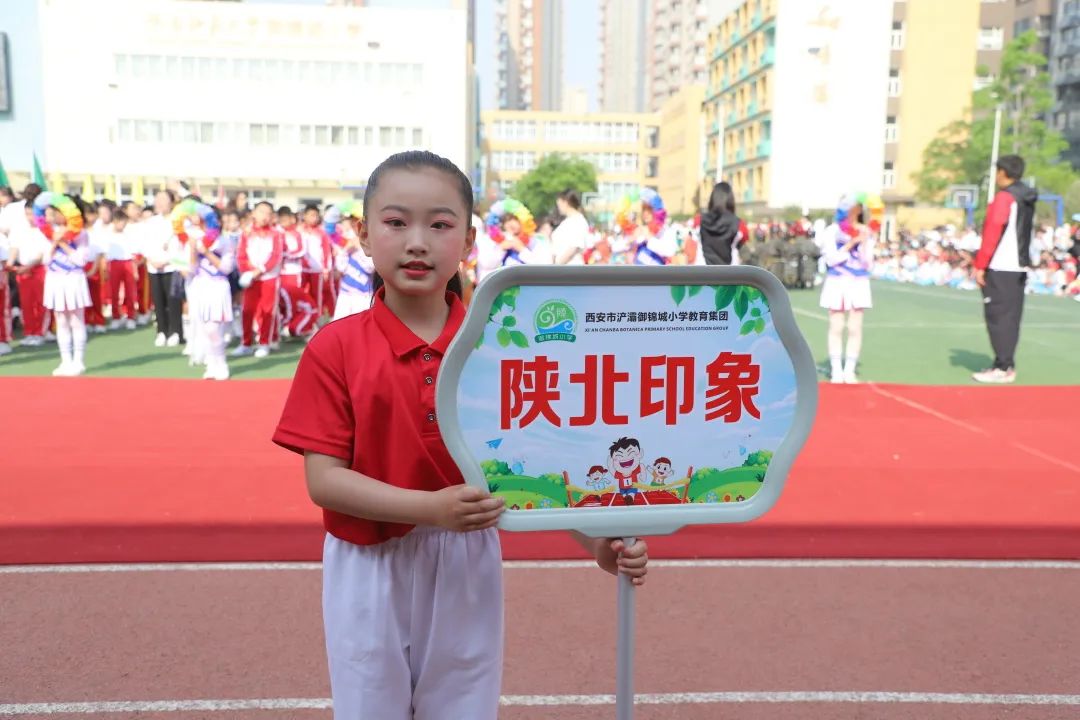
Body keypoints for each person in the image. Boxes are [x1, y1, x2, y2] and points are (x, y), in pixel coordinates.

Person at [271, 150, 649, 720]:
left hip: (467, 555)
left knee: (464, 706)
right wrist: (429, 508)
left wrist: (595, 539)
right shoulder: (336, 347)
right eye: (396, 222)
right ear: (363, 235)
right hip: (369, 560)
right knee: (371, 705)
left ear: (469, 240)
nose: (417, 241)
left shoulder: (501, 348)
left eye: (439, 224)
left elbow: (530, 468)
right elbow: (324, 481)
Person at [973, 155, 1036, 384]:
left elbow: (992, 232)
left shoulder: (1005, 198)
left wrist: (980, 265)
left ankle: (1003, 366)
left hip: (1000, 265)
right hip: (1018, 266)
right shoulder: (1026, 197)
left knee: (998, 317)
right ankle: (1006, 363)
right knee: (1010, 317)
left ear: (1002, 172)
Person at [819, 195, 873, 384]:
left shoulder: (865, 231)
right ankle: (836, 369)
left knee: (855, 327)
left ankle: (849, 369)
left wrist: (864, 242)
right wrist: (850, 244)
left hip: (858, 282)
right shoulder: (832, 231)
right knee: (836, 326)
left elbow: (868, 263)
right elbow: (831, 259)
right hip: (837, 280)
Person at [41, 197, 92, 376]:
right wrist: (54, 242)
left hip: (73, 279)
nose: (56, 216)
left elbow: (81, 260)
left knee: (76, 321)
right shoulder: (48, 232)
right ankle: (65, 360)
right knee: (61, 320)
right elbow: (45, 259)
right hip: (55, 280)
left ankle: (79, 361)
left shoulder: (81, 234)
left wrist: (64, 243)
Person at [186, 210, 235, 381]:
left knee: (214, 328)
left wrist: (207, 252)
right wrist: (193, 250)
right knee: (205, 329)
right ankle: (211, 363)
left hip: (218, 287)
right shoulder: (196, 239)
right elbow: (191, 269)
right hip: (201, 286)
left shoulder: (226, 241)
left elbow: (227, 267)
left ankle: (221, 362)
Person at [234, 201, 283, 358]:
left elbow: (275, 256)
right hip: (250, 279)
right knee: (248, 310)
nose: (265, 216)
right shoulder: (246, 232)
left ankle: (264, 343)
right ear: (254, 213)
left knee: (267, 311)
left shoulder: (276, 234)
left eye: (268, 213)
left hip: (269, 278)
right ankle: (246, 343)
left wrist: (258, 271)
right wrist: (247, 273)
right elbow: (241, 255)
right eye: (262, 212)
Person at [5, 186, 51, 345]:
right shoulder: (20, 228)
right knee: (26, 303)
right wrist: (10, 264)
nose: (30, 217)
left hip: (39, 270)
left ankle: (41, 332)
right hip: (23, 270)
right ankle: (29, 332)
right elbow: (14, 247)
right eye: (27, 214)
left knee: (40, 302)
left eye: (32, 214)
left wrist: (28, 267)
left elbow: (41, 254)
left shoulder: (45, 229)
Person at [143, 190, 184, 347]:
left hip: (171, 266)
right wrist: (152, 259)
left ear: (172, 202)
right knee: (158, 300)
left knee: (173, 300)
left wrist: (166, 260)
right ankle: (161, 331)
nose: (159, 202)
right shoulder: (151, 222)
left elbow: (180, 246)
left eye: (163, 199)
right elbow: (145, 243)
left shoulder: (178, 221)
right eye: (157, 199)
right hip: (153, 266)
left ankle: (176, 332)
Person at [699, 181, 748, 266]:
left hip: (704, 272)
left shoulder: (699, 220)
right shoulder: (740, 224)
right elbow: (743, 242)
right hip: (730, 273)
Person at [551, 189, 589, 265]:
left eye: (559, 205)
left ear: (565, 203)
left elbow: (573, 247)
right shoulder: (567, 221)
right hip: (560, 268)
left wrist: (557, 265)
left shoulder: (578, 221)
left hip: (570, 268)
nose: (558, 208)